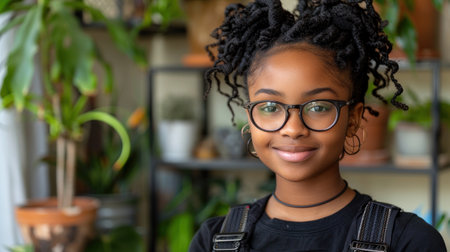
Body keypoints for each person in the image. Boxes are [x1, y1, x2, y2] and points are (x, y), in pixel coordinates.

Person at [189, 0, 446, 251]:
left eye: (318, 107)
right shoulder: (213, 240)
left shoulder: (409, 241)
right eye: (269, 107)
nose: (292, 128)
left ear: (353, 120)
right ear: (250, 119)